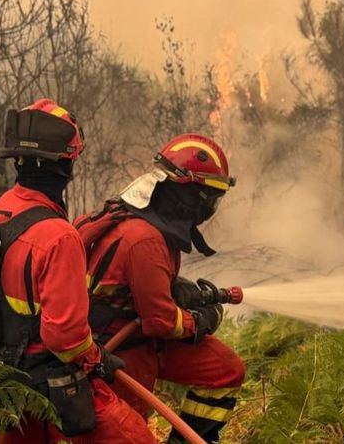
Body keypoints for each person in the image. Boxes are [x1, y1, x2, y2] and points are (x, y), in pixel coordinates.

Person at [0, 99, 156, 443]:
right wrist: (98, 358)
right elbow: (66, 339)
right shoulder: (59, 237)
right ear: (66, 165)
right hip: (48, 382)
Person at [75, 133, 245, 443]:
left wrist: (175, 288)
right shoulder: (145, 239)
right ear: (188, 194)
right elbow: (161, 321)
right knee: (133, 431)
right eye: (209, 197)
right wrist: (199, 322)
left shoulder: (135, 217)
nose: (210, 207)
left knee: (225, 369)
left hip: (136, 337)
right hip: (117, 352)